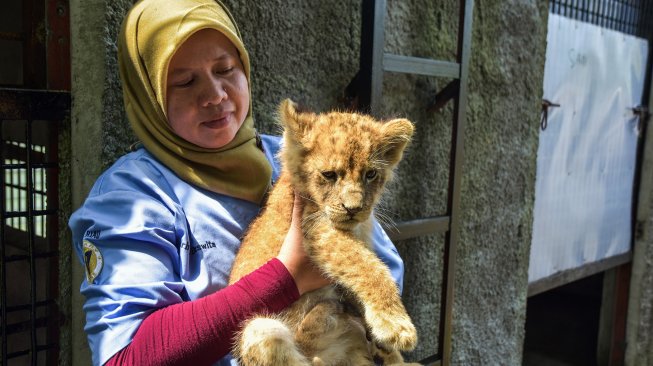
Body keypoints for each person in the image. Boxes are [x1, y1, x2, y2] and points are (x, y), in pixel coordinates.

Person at [69, 0, 406, 365]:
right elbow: (126, 358)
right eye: (184, 81)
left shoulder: (303, 152)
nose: (215, 95)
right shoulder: (128, 198)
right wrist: (286, 277)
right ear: (149, 95)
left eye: (226, 69)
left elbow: (382, 280)